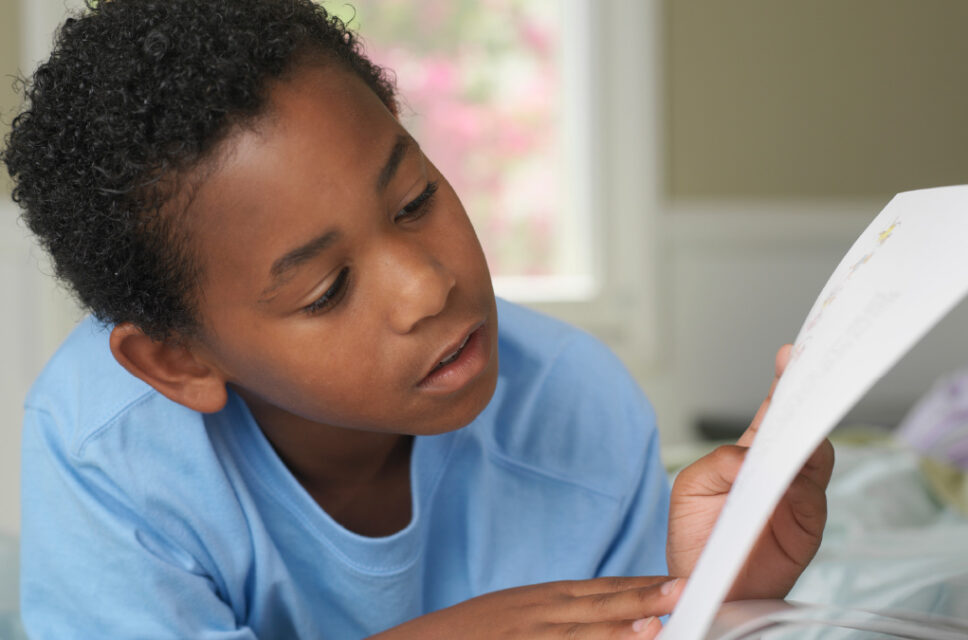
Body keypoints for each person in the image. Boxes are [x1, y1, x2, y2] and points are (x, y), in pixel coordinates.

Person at [2, 1, 834, 638]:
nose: (427, 287)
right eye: (327, 289)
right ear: (180, 362)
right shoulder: (105, 450)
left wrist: (717, 599)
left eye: (414, 200)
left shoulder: (578, 407)